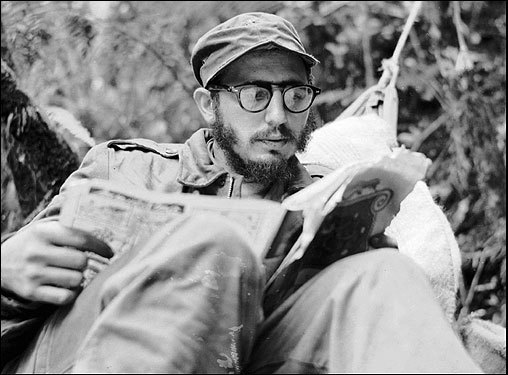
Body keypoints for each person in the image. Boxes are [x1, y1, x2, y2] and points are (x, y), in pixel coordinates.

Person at [1, 12, 483, 373]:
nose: (278, 117)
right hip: (83, 352)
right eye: (255, 94)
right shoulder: (125, 168)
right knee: (215, 242)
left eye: (294, 95)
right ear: (209, 105)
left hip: (245, 355)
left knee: (384, 273)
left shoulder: (320, 202)